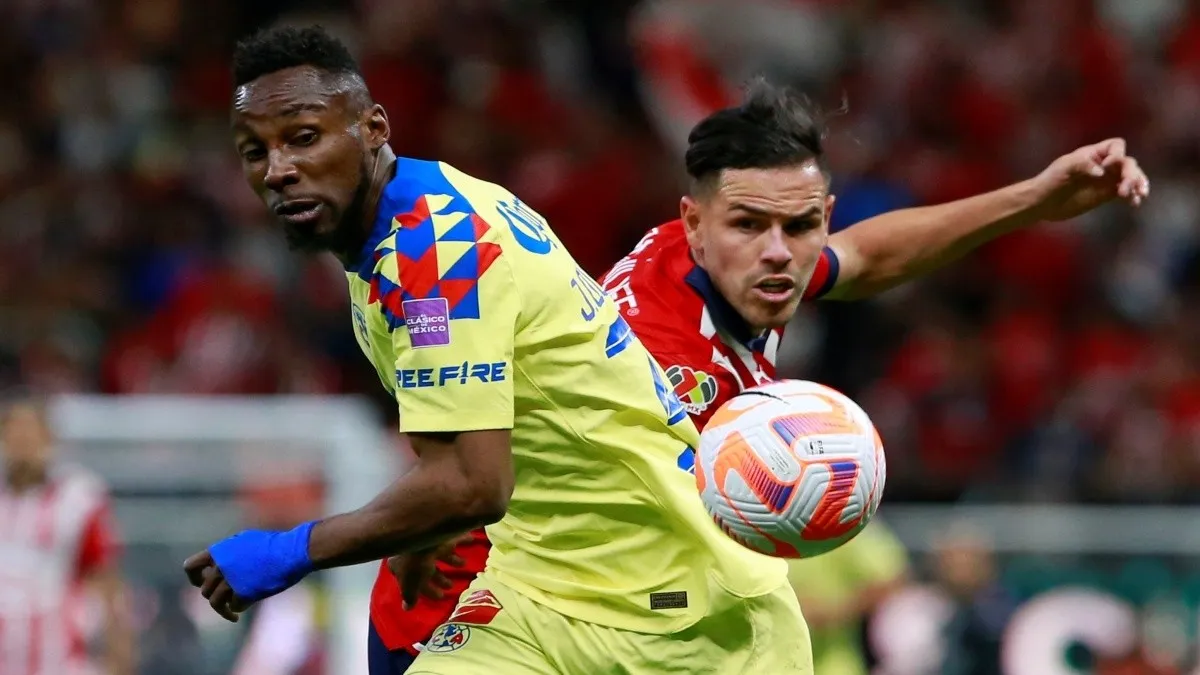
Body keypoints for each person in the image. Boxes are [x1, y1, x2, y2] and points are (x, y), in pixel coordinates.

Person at [376, 75, 1152, 670]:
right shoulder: (658, 359)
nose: (780, 252)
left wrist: (1034, 198)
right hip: (475, 605)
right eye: (750, 224)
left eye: (801, 225)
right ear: (694, 223)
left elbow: (868, 256)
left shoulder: (736, 265)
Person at [184, 25, 814, 675]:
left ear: (373, 129)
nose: (278, 170)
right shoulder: (394, 230)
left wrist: (290, 551)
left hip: (680, 607)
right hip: (544, 587)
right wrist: (421, 535)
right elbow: (459, 439)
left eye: (303, 137)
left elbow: (474, 485)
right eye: (255, 151)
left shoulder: (436, 248)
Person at [0, 392, 134, 675]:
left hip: (59, 657)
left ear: (48, 439)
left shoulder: (76, 499)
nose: (22, 443)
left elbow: (104, 576)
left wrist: (119, 650)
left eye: (30, 433)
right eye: (14, 433)